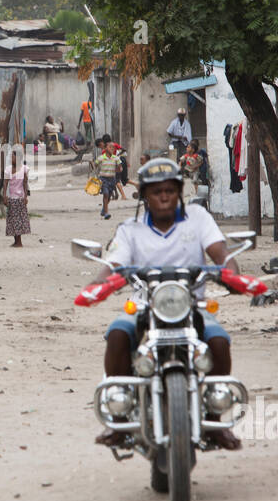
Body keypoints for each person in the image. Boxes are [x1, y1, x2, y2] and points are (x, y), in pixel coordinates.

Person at [94, 158, 241, 450]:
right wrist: (98, 284)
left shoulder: (198, 218)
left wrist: (232, 274)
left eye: (170, 190)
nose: (163, 196)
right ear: (144, 195)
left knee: (220, 342)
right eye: (156, 191)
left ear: (178, 192)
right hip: (145, 305)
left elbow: (220, 252)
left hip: (193, 307)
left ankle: (214, 418)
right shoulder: (130, 229)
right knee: (118, 334)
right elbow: (114, 263)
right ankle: (120, 418)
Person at [0, 149, 31, 248]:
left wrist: (25, 197)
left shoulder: (24, 169)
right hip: (12, 198)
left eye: (13, 156)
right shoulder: (8, 169)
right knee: (13, 220)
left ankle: (19, 242)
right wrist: (4, 196)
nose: (11, 158)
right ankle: (16, 241)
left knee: (18, 220)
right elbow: (5, 183)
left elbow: (25, 184)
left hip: (20, 198)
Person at [93, 141, 121, 219]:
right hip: (103, 178)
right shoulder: (101, 158)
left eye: (113, 148)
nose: (112, 149)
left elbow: (120, 168)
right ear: (105, 148)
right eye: (110, 147)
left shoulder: (116, 158)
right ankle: (106, 213)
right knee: (106, 194)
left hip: (112, 179)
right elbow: (95, 165)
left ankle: (103, 209)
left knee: (108, 196)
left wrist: (119, 168)